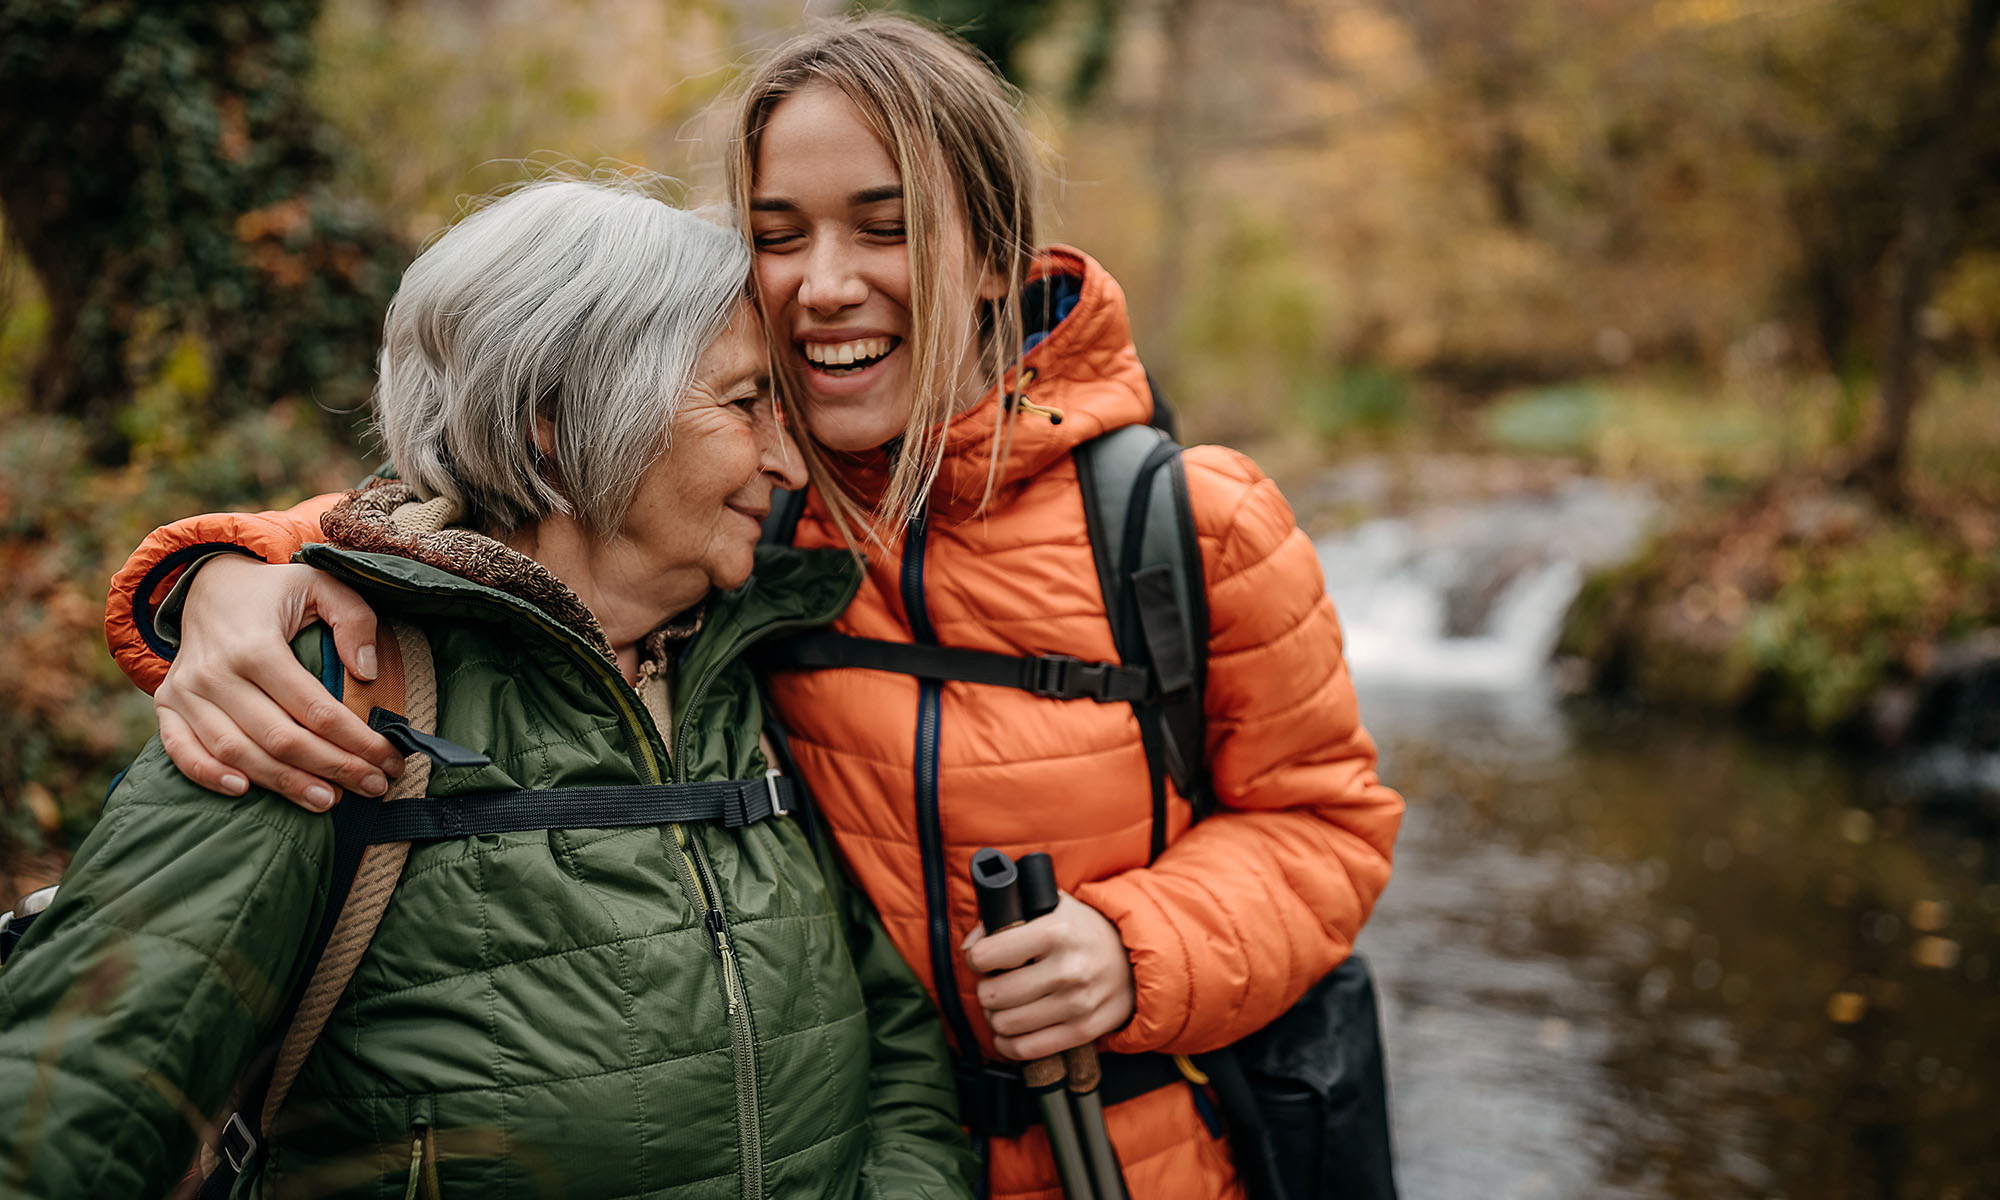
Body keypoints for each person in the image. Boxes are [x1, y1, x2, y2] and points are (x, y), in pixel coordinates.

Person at [95, 15, 1404, 1199]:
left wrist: (1142, 947)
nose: (822, 283)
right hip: (846, 1155)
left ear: (997, 253)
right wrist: (226, 574)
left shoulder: (1186, 520)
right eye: (779, 235)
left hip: (1129, 1158)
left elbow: (1326, 827)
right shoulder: (743, 501)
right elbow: (476, 508)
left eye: (883, 227)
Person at [0, 178, 976, 1200]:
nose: (787, 458)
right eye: (742, 405)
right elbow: (68, 1118)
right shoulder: (323, 697)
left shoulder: (744, 682)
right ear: (558, 417)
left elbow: (894, 1057)